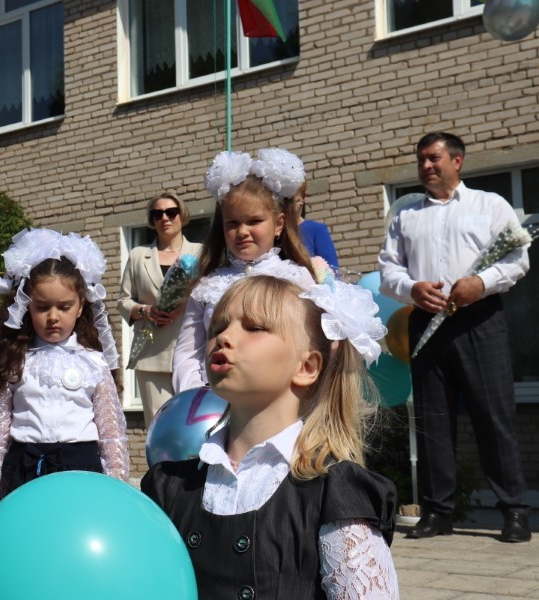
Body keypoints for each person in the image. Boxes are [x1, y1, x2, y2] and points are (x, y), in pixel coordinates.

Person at [143, 275, 399, 599]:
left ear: (306, 367)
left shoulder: (336, 493)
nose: (224, 337)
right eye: (218, 327)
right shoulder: (169, 486)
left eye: (254, 327)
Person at [379, 131, 532, 543]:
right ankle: (437, 512)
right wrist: (411, 288)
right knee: (433, 418)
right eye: (421, 160)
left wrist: (481, 283)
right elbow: (388, 268)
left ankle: (515, 511)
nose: (426, 166)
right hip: (426, 323)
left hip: (479, 320)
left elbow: (518, 258)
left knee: (493, 416)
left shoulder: (490, 205)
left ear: (457, 161)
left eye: (434, 158)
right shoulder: (406, 215)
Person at [0, 228, 129, 503]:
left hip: (81, 472)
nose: (53, 317)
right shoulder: (16, 361)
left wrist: (117, 482)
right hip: (23, 471)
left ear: (80, 306)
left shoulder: (93, 362)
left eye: (64, 306)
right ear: (26, 306)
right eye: (42, 307)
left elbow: (111, 431)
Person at [172, 147, 316, 393]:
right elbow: (188, 352)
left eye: (254, 221)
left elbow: (311, 344)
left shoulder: (297, 278)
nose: (242, 232)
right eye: (233, 223)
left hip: (279, 400)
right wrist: (197, 397)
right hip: (218, 400)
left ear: (279, 224)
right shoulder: (208, 286)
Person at [118, 191, 202, 426]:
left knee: (193, 422)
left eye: (171, 212)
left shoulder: (201, 252)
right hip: (151, 354)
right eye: (157, 214)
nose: (164, 218)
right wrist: (145, 310)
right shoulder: (138, 256)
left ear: (182, 215)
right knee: (159, 424)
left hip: (193, 350)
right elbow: (123, 300)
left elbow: (211, 295)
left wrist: (184, 306)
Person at [294, 180, 340, 271]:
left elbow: (331, 271)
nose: (288, 206)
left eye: (295, 201)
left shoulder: (317, 230)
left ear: (304, 196)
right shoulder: (274, 232)